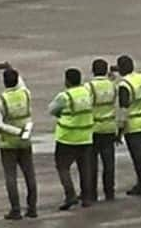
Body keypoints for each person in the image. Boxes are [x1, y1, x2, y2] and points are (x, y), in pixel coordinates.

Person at [0, 66, 37, 220]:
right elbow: (21, 82)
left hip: (8, 144)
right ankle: (32, 208)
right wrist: (10, 67)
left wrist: (14, 132)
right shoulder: (26, 94)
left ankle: (16, 209)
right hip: (25, 140)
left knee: (11, 177)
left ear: (4, 82)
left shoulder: (0, 100)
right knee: (29, 175)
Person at [50, 67, 96, 209]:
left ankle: (70, 195)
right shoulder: (88, 93)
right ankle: (87, 198)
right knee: (85, 168)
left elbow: (52, 109)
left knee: (63, 167)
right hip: (85, 136)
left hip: (67, 138)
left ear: (67, 81)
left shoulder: (64, 96)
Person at [115, 55, 141, 197]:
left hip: (134, 124)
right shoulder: (140, 77)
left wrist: (119, 130)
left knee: (138, 157)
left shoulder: (124, 85)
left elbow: (123, 109)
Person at [87, 59, 117, 202]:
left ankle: (92, 193)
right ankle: (109, 191)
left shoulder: (89, 87)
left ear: (93, 70)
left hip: (94, 128)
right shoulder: (113, 85)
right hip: (109, 127)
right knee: (109, 163)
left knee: (92, 163)